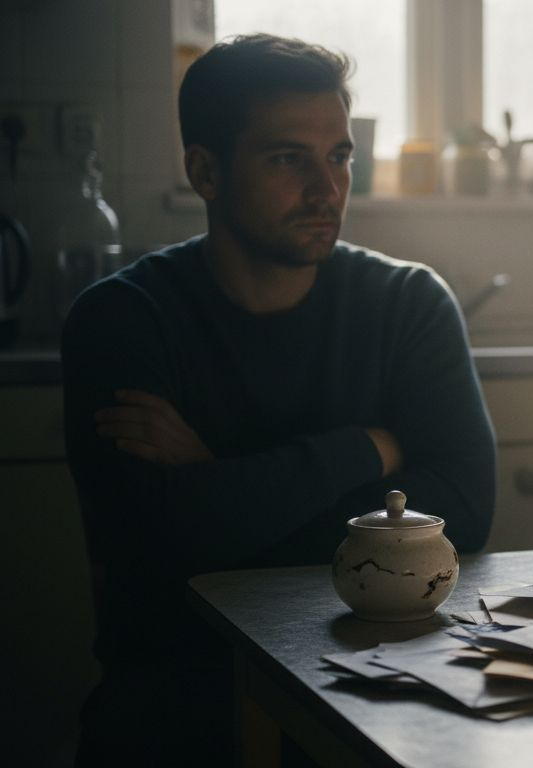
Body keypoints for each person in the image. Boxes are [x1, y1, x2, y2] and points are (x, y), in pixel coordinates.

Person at [62, 34, 496, 764]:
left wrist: (218, 480)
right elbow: (155, 541)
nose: (327, 190)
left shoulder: (410, 303)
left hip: (384, 684)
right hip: (182, 693)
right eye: (288, 158)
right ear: (205, 170)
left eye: (339, 156)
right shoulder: (123, 320)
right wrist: (368, 448)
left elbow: (468, 510)